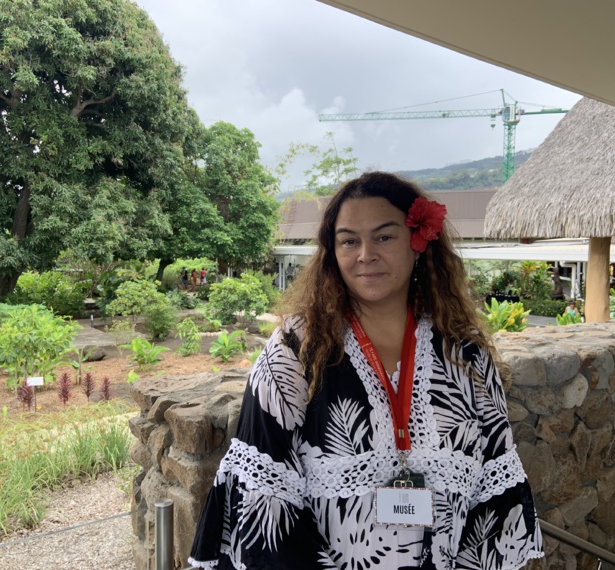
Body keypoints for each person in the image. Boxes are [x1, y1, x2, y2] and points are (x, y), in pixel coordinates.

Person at [189, 172, 543, 570]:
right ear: (332, 252)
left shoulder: (465, 352)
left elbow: (495, 490)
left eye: (384, 237)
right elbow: (264, 501)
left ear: (418, 243)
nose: (365, 254)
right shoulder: (296, 349)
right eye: (349, 241)